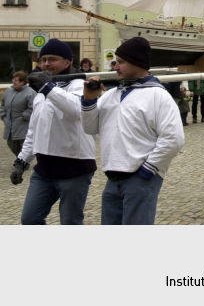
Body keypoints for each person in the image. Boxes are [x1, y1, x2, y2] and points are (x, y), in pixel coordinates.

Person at [81, 37, 184, 225]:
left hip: (141, 177)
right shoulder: (111, 95)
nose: (115, 67)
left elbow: (173, 139)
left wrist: (147, 170)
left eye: (121, 62)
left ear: (137, 62)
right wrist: (89, 101)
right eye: (115, 62)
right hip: (113, 177)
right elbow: (89, 128)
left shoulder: (158, 95)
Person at [10, 39, 97, 224]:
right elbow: (34, 130)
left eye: (52, 59)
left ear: (67, 62)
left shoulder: (79, 84)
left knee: (70, 222)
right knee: (30, 219)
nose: (46, 64)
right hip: (44, 170)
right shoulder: (42, 92)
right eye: (43, 60)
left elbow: (76, 109)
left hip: (75, 169)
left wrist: (47, 87)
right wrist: (22, 160)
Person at [1, 71, 36, 157]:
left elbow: (34, 107)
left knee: (24, 146)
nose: (14, 82)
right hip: (9, 124)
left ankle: (22, 161)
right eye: (13, 79)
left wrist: (24, 116)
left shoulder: (30, 93)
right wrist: (3, 116)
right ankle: (20, 159)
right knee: (11, 144)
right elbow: (2, 105)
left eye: (17, 80)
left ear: (23, 82)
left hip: (23, 125)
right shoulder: (8, 92)